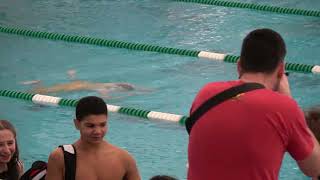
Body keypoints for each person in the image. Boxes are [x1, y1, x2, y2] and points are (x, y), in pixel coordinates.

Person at [187, 28, 320, 179]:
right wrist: (289, 100)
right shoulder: (284, 107)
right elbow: (315, 168)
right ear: (281, 70)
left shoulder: (205, 94)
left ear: (239, 65)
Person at [45, 96, 141, 180]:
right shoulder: (60, 157)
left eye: (102, 125)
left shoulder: (124, 159)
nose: (98, 131)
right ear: (77, 124)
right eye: (90, 126)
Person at [21, 70, 152, 99]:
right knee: (48, 91)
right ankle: (37, 84)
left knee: (50, 90)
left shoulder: (107, 84)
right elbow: (105, 97)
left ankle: (37, 83)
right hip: (77, 86)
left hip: (79, 84)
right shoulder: (105, 87)